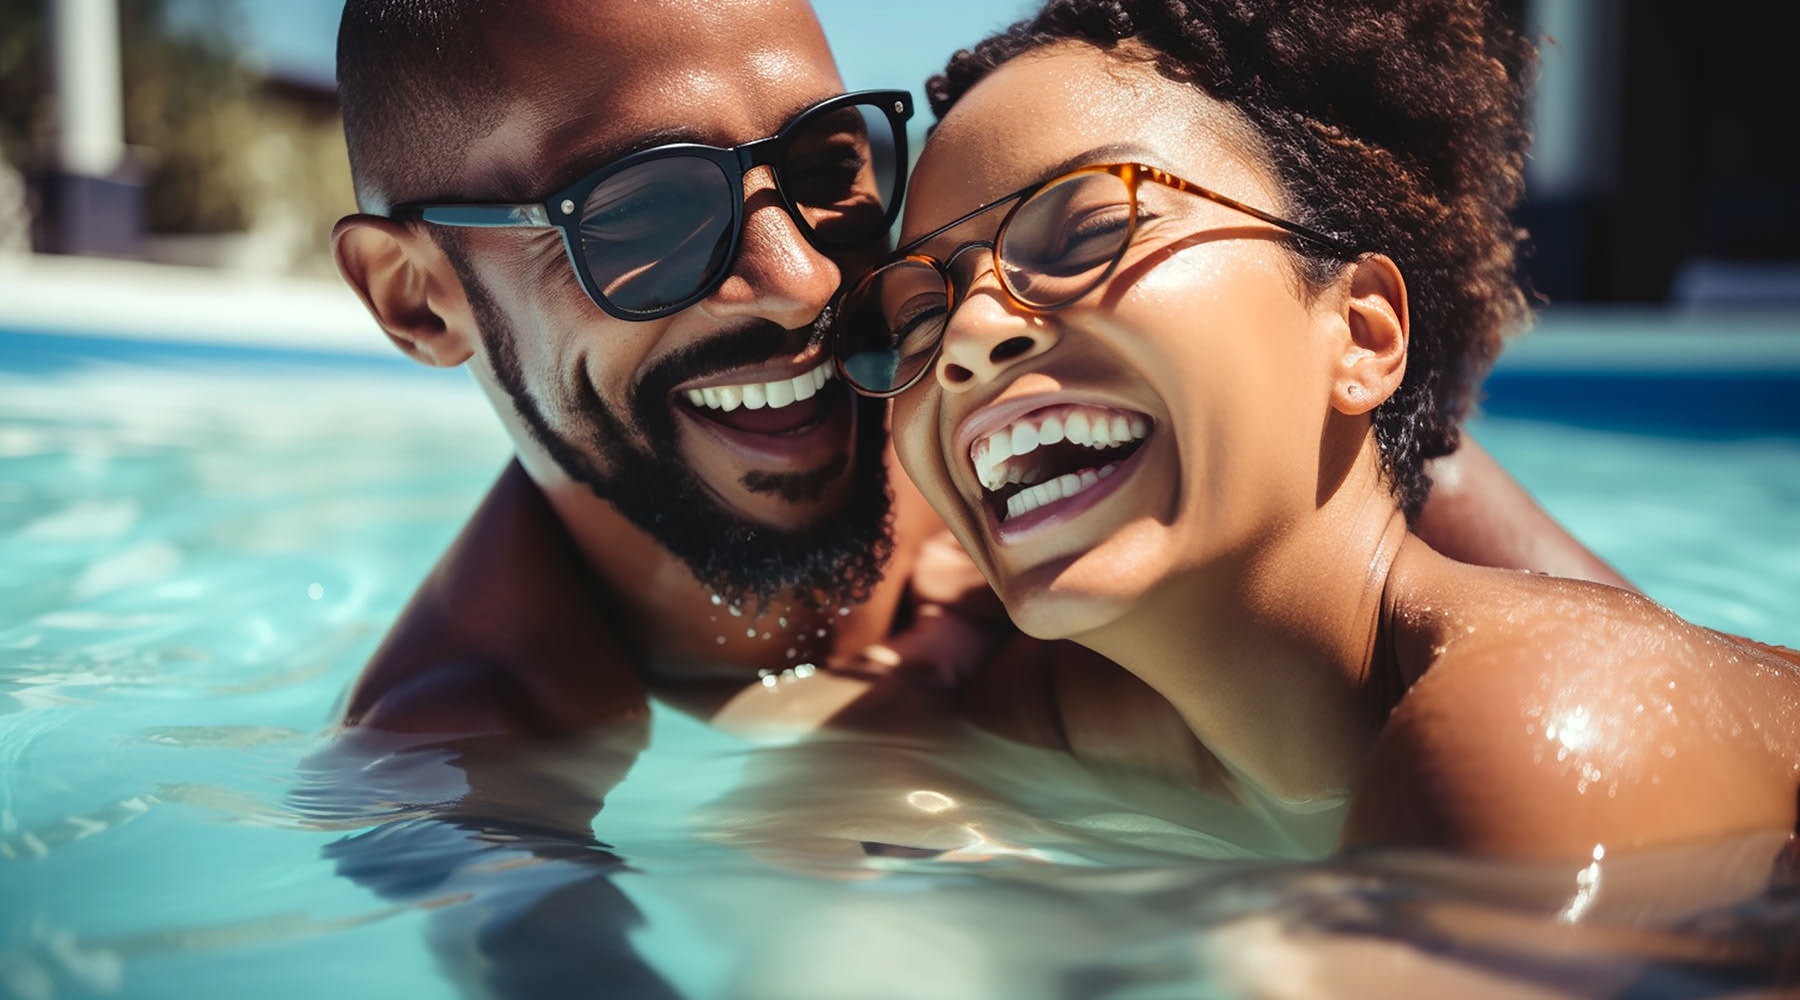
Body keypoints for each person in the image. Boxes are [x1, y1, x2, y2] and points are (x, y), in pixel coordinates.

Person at [326, 0, 1628, 745]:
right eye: (645, 215)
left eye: (829, 166)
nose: (802, 279)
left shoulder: (997, 370)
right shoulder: (470, 748)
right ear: (417, 297)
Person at [830, 0, 1800, 859]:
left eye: (1087, 232)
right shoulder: (1054, 716)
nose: (966, 334)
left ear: (1362, 333)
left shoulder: (1554, 717)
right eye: (918, 312)